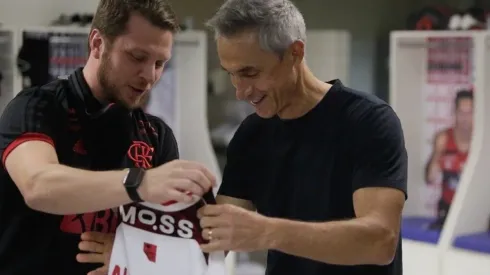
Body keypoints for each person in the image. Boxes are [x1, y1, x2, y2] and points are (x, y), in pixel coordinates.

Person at [83, 0, 407, 274]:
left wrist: (267, 232)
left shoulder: (368, 122)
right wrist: (134, 255)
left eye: (250, 73)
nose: (240, 92)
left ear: (294, 54)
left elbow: (379, 241)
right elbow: (211, 241)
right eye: (232, 74)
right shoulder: (253, 134)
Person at [0, 1, 215, 274]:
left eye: (160, 63)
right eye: (137, 57)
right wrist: (141, 182)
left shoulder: (156, 136)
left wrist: (132, 254)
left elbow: (173, 246)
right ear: (98, 44)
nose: (149, 76)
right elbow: (38, 185)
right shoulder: (36, 107)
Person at [425, 90, 473, 229]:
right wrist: (438, 153)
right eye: (461, 113)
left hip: (475, 209)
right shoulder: (444, 138)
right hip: (448, 208)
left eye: (469, 113)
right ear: (455, 113)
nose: (465, 118)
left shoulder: (483, 143)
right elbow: (430, 178)